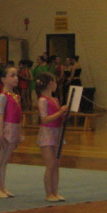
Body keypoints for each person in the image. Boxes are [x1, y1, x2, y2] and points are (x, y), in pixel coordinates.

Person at [36, 72, 68, 202]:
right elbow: (44, 119)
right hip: (47, 133)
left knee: (56, 164)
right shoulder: (43, 100)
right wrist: (60, 112)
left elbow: (58, 117)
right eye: (55, 81)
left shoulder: (55, 99)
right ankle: (49, 193)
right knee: (50, 164)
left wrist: (64, 114)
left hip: (57, 133)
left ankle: (55, 192)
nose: (56, 84)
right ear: (50, 83)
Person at [0, 65, 22, 198]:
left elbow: (19, 116)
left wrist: (20, 132)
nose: (16, 78)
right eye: (12, 75)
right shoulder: (3, 96)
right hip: (5, 129)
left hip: (14, 129)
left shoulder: (16, 96)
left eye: (16, 75)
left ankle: (3, 187)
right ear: (3, 79)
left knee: (5, 161)